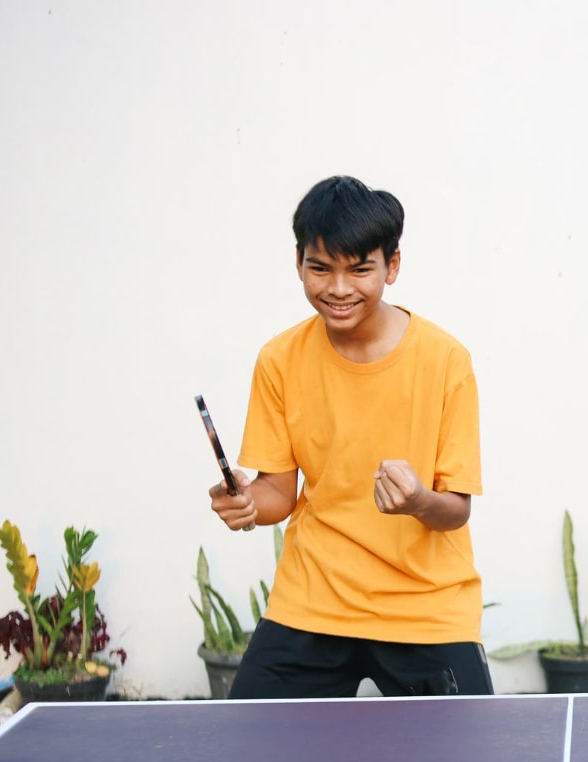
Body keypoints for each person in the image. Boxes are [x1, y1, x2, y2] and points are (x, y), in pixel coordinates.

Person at [208, 175, 492, 699]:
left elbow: (455, 509)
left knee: (465, 752)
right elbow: (278, 493)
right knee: (245, 743)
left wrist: (418, 501)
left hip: (426, 609)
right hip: (312, 601)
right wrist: (247, 504)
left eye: (359, 269)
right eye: (321, 268)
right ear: (299, 264)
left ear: (392, 266)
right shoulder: (279, 360)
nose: (339, 289)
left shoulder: (446, 360)